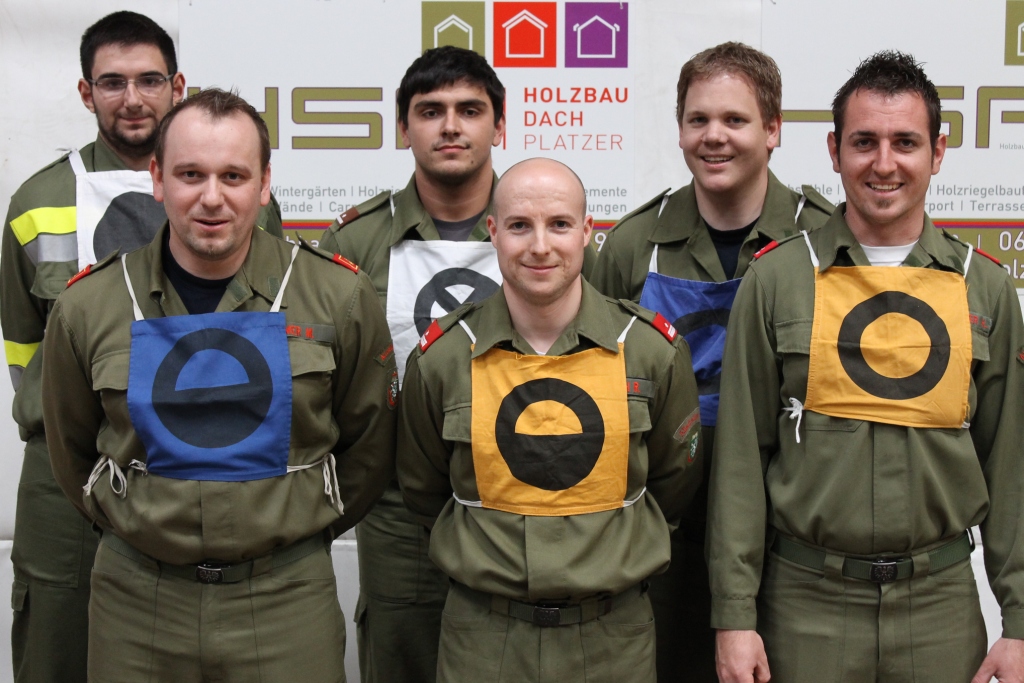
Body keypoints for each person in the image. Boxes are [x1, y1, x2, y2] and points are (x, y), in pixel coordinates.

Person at [41, 88, 396, 682]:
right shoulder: (89, 305)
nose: (212, 198)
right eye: (190, 174)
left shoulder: (338, 297)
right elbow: (71, 451)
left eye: (234, 176)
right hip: (137, 603)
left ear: (264, 184)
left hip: (286, 599)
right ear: (157, 179)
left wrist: (289, 531)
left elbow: (369, 448)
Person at [709, 51, 1024, 683]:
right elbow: (741, 459)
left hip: (939, 609)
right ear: (834, 151)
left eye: (905, 142)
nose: (884, 164)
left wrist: (1019, 621)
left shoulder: (984, 288)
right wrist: (734, 616)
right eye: (863, 142)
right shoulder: (776, 281)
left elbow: (1011, 466)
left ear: (937, 152)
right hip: (805, 605)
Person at [0, 13, 282, 682]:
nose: (132, 98)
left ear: (178, 86)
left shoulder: (242, 198)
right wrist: (72, 427)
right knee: (57, 636)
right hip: (67, 467)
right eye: (112, 82)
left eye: (150, 80)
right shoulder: (37, 201)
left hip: (205, 452)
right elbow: (23, 342)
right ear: (85, 92)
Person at [319, 46, 595, 683]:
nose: (450, 126)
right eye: (430, 111)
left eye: (470, 110)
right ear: (402, 127)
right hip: (397, 512)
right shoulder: (353, 243)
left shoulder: (548, 232)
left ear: (500, 126)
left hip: (533, 500)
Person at [397, 157, 702, 682]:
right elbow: (424, 489)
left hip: (613, 641)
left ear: (586, 232)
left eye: (559, 224)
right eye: (520, 225)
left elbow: (673, 485)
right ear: (493, 232)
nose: (540, 246)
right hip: (483, 641)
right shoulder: (442, 359)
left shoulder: (650, 352)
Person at [589, 41, 833, 682]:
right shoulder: (631, 246)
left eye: (734, 119)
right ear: (679, 129)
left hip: (789, 545)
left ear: (773, 129)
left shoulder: (822, 240)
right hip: (661, 541)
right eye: (698, 120)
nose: (713, 136)